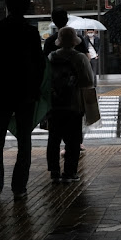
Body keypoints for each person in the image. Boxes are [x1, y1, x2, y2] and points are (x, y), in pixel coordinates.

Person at [0, 0, 45, 201]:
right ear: (26, 6)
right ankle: (19, 187)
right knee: (24, 140)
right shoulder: (30, 31)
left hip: (0, 90)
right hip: (25, 92)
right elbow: (40, 64)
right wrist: (35, 89)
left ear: (7, 6)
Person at [47, 26, 94, 183]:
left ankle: (54, 171)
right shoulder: (80, 58)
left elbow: (45, 80)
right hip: (74, 105)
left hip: (54, 105)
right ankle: (69, 172)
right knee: (73, 140)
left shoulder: (51, 57)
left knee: (53, 139)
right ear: (74, 41)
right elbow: (89, 81)